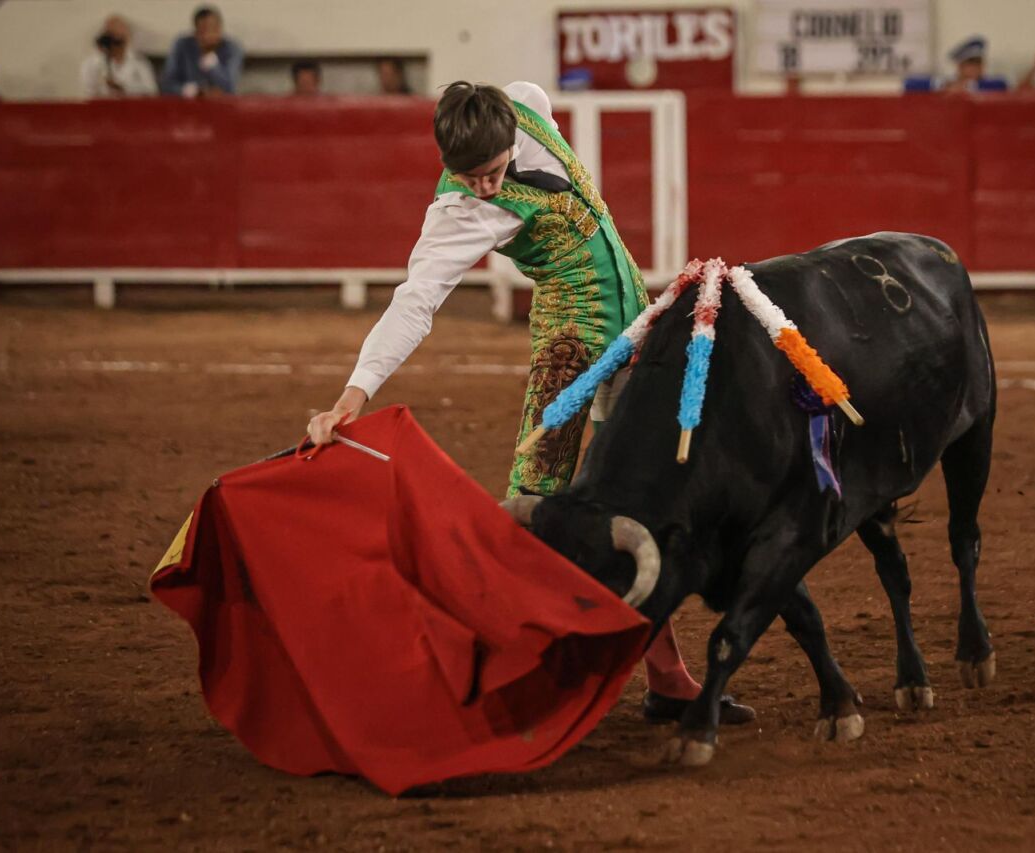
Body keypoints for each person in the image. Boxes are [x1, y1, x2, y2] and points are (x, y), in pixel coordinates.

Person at [306, 81, 755, 726]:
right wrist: (355, 392)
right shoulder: (457, 212)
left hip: (638, 328)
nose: (485, 188)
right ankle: (500, 664)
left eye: (490, 173)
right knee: (537, 497)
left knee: (647, 491)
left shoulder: (527, 103)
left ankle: (668, 680)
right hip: (568, 347)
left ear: (509, 133)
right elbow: (415, 302)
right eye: (470, 177)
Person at [161, 5, 243, 97]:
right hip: (187, 104)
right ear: (195, 31)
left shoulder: (232, 48)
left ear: (220, 28)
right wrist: (193, 91)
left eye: (213, 28)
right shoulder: (182, 45)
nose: (208, 34)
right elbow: (167, 84)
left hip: (220, 106)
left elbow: (230, 87)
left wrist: (211, 61)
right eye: (203, 30)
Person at [80, 15, 158, 99]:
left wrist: (124, 88)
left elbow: (151, 92)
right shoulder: (91, 64)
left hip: (132, 108)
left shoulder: (139, 62)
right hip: (103, 108)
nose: (115, 45)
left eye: (119, 40)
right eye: (111, 38)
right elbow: (88, 93)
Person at [940, 36, 1007, 93]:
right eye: (971, 63)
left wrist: (967, 86)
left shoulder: (988, 85)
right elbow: (930, 83)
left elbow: (1001, 85)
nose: (977, 67)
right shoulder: (950, 84)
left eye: (979, 62)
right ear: (960, 66)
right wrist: (944, 85)